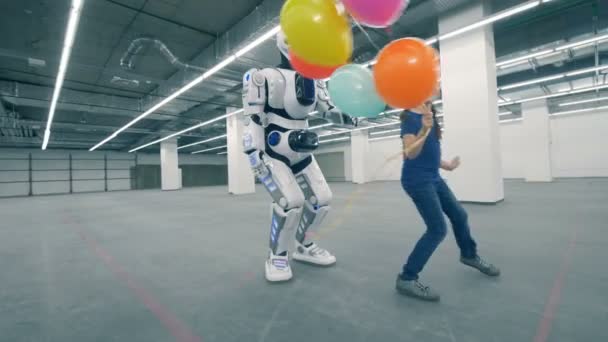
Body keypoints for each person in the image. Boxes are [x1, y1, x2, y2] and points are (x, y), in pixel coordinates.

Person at [241, 31, 356, 282]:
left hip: (302, 148)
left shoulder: (315, 81)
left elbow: (328, 110)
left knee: (322, 200)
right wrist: (254, 153)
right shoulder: (263, 77)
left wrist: (347, 115)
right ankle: (277, 256)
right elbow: (253, 118)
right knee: (290, 203)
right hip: (274, 150)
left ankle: (304, 244)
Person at [395, 101, 500, 301]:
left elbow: (429, 155)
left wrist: (447, 166)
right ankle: (407, 278)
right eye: (435, 82)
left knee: (460, 215)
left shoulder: (430, 114)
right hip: (417, 180)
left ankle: (468, 255)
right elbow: (410, 153)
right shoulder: (410, 117)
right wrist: (424, 129)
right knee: (437, 230)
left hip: (433, 177)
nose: (438, 84)